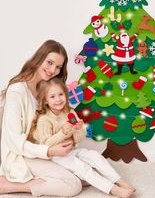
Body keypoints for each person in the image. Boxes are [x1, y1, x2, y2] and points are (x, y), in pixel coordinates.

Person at [28, 77, 135, 198]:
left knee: (94, 155)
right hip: (54, 157)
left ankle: (120, 182)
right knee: (81, 167)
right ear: (46, 100)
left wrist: (79, 128)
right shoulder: (45, 120)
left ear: (66, 95)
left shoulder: (70, 113)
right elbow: (46, 145)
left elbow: (78, 139)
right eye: (52, 96)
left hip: (70, 151)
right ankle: (112, 189)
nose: (58, 99)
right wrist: (62, 133)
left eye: (60, 94)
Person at [0, 40, 82, 197]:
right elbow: (15, 142)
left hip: (44, 150)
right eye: (49, 63)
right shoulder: (17, 91)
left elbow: (58, 123)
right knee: (73, 185)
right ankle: (8, 185)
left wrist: (67, 137)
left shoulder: (48, 89)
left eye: (58, 67)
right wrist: (50, 151)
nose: (53, 70)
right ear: (39, 58)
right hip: (23, 155)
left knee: (86, 172)